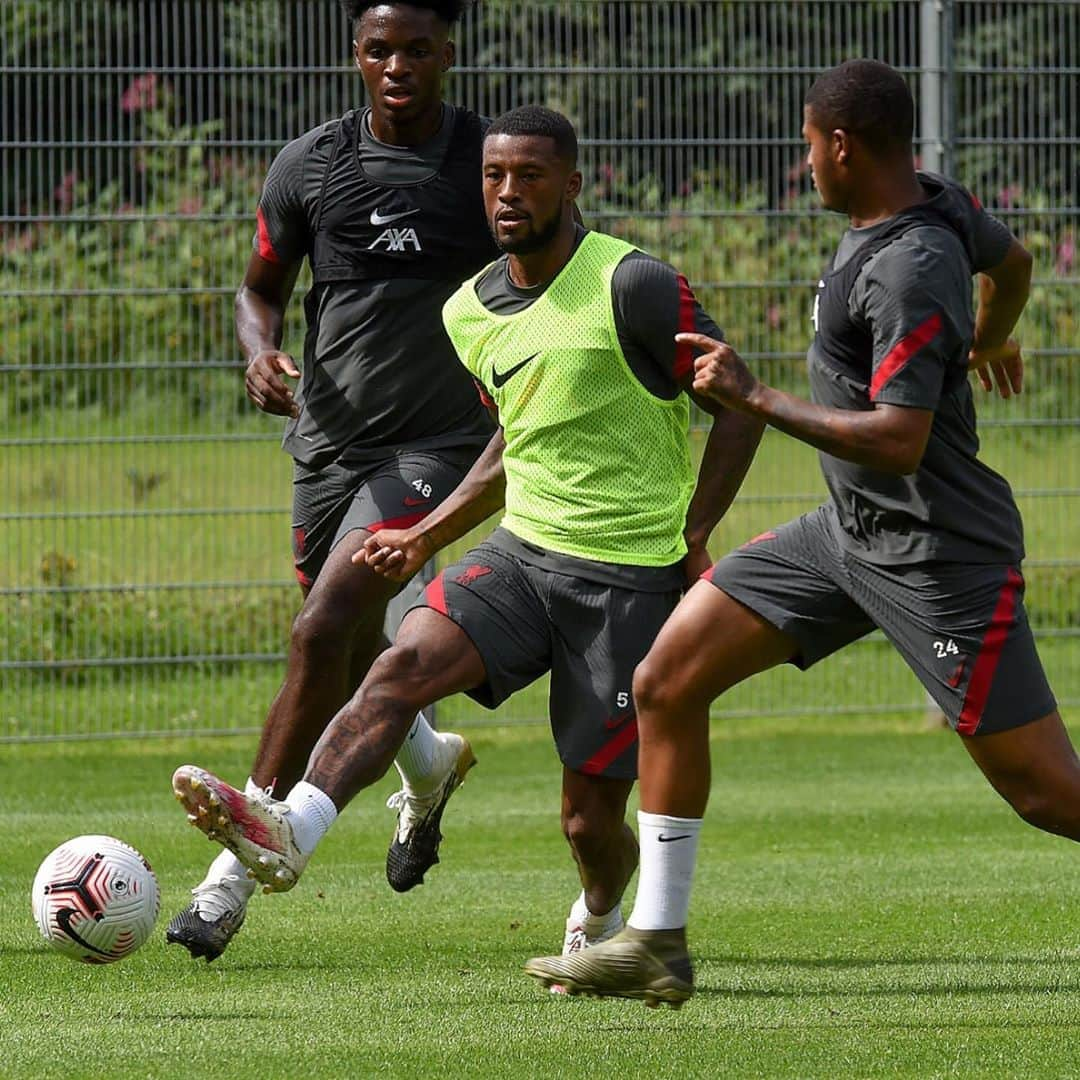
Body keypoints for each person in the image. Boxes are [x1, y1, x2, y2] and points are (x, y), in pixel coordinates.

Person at [522, 58, 1072, 1008]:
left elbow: (902, 441)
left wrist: (754, 396)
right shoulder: (933, 202)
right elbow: (1014, 261)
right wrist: (989, 338)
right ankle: (656, 941)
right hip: (843, 538)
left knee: (1044, 794)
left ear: (845, 147)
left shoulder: (907, 266)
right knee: (665, 678)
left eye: (809, 144)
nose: (803, 161)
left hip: (937, 557)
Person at [170, 105, 764, 960]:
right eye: (494, 177)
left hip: (628, 578)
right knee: (398, 666)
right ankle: (290, 829)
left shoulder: (633, 283)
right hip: (521, 557)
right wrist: (427, 536)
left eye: (530, 176)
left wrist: (694, 530)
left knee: (588, 822)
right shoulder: (471, 311)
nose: (509, 193)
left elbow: (741, 406)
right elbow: (510, 444)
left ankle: (601, 912)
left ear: (572, 183)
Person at [166, 0, 500, 961]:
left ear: (448, 54)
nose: (398, 65)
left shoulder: (489, 164)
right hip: (328, 448)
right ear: (355, 56)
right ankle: (429, 765)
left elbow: (550, 279)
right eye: (379, 49)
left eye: (417, 49)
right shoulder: (309, 164)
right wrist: (258, 352)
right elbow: (259, 289)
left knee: (320, 627)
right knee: (346, 651)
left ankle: (231, 878)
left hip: (438, 447)